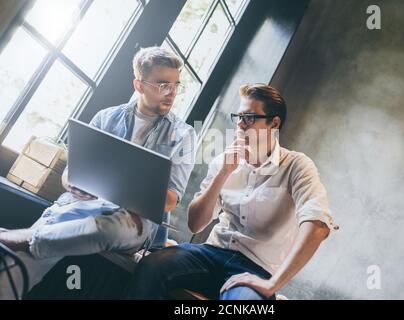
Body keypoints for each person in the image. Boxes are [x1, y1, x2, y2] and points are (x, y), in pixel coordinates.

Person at [126, 83, 338, 300]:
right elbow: (195, 224)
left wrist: (273, 284)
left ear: (274, 123)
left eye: (249, 118)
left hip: (257, 268)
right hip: (210, 254)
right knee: (152, 264)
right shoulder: (223, 161)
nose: (240, 125)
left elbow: (318, 226)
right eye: (238, 117)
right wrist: (224, 173)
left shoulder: (296, 165)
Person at [0, 46, 196, 260]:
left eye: (176, 85)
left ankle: (25, 238)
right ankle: (22, 245)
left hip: (132, 220)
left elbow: (169, 201)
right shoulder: (106, 117)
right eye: (163, 85)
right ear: (139, 85)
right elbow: (70, 173)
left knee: (110, 228)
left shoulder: (183, 134)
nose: (172, 93)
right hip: (81, 204)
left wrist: (120, 187)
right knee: (15, 266)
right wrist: (72, 183)